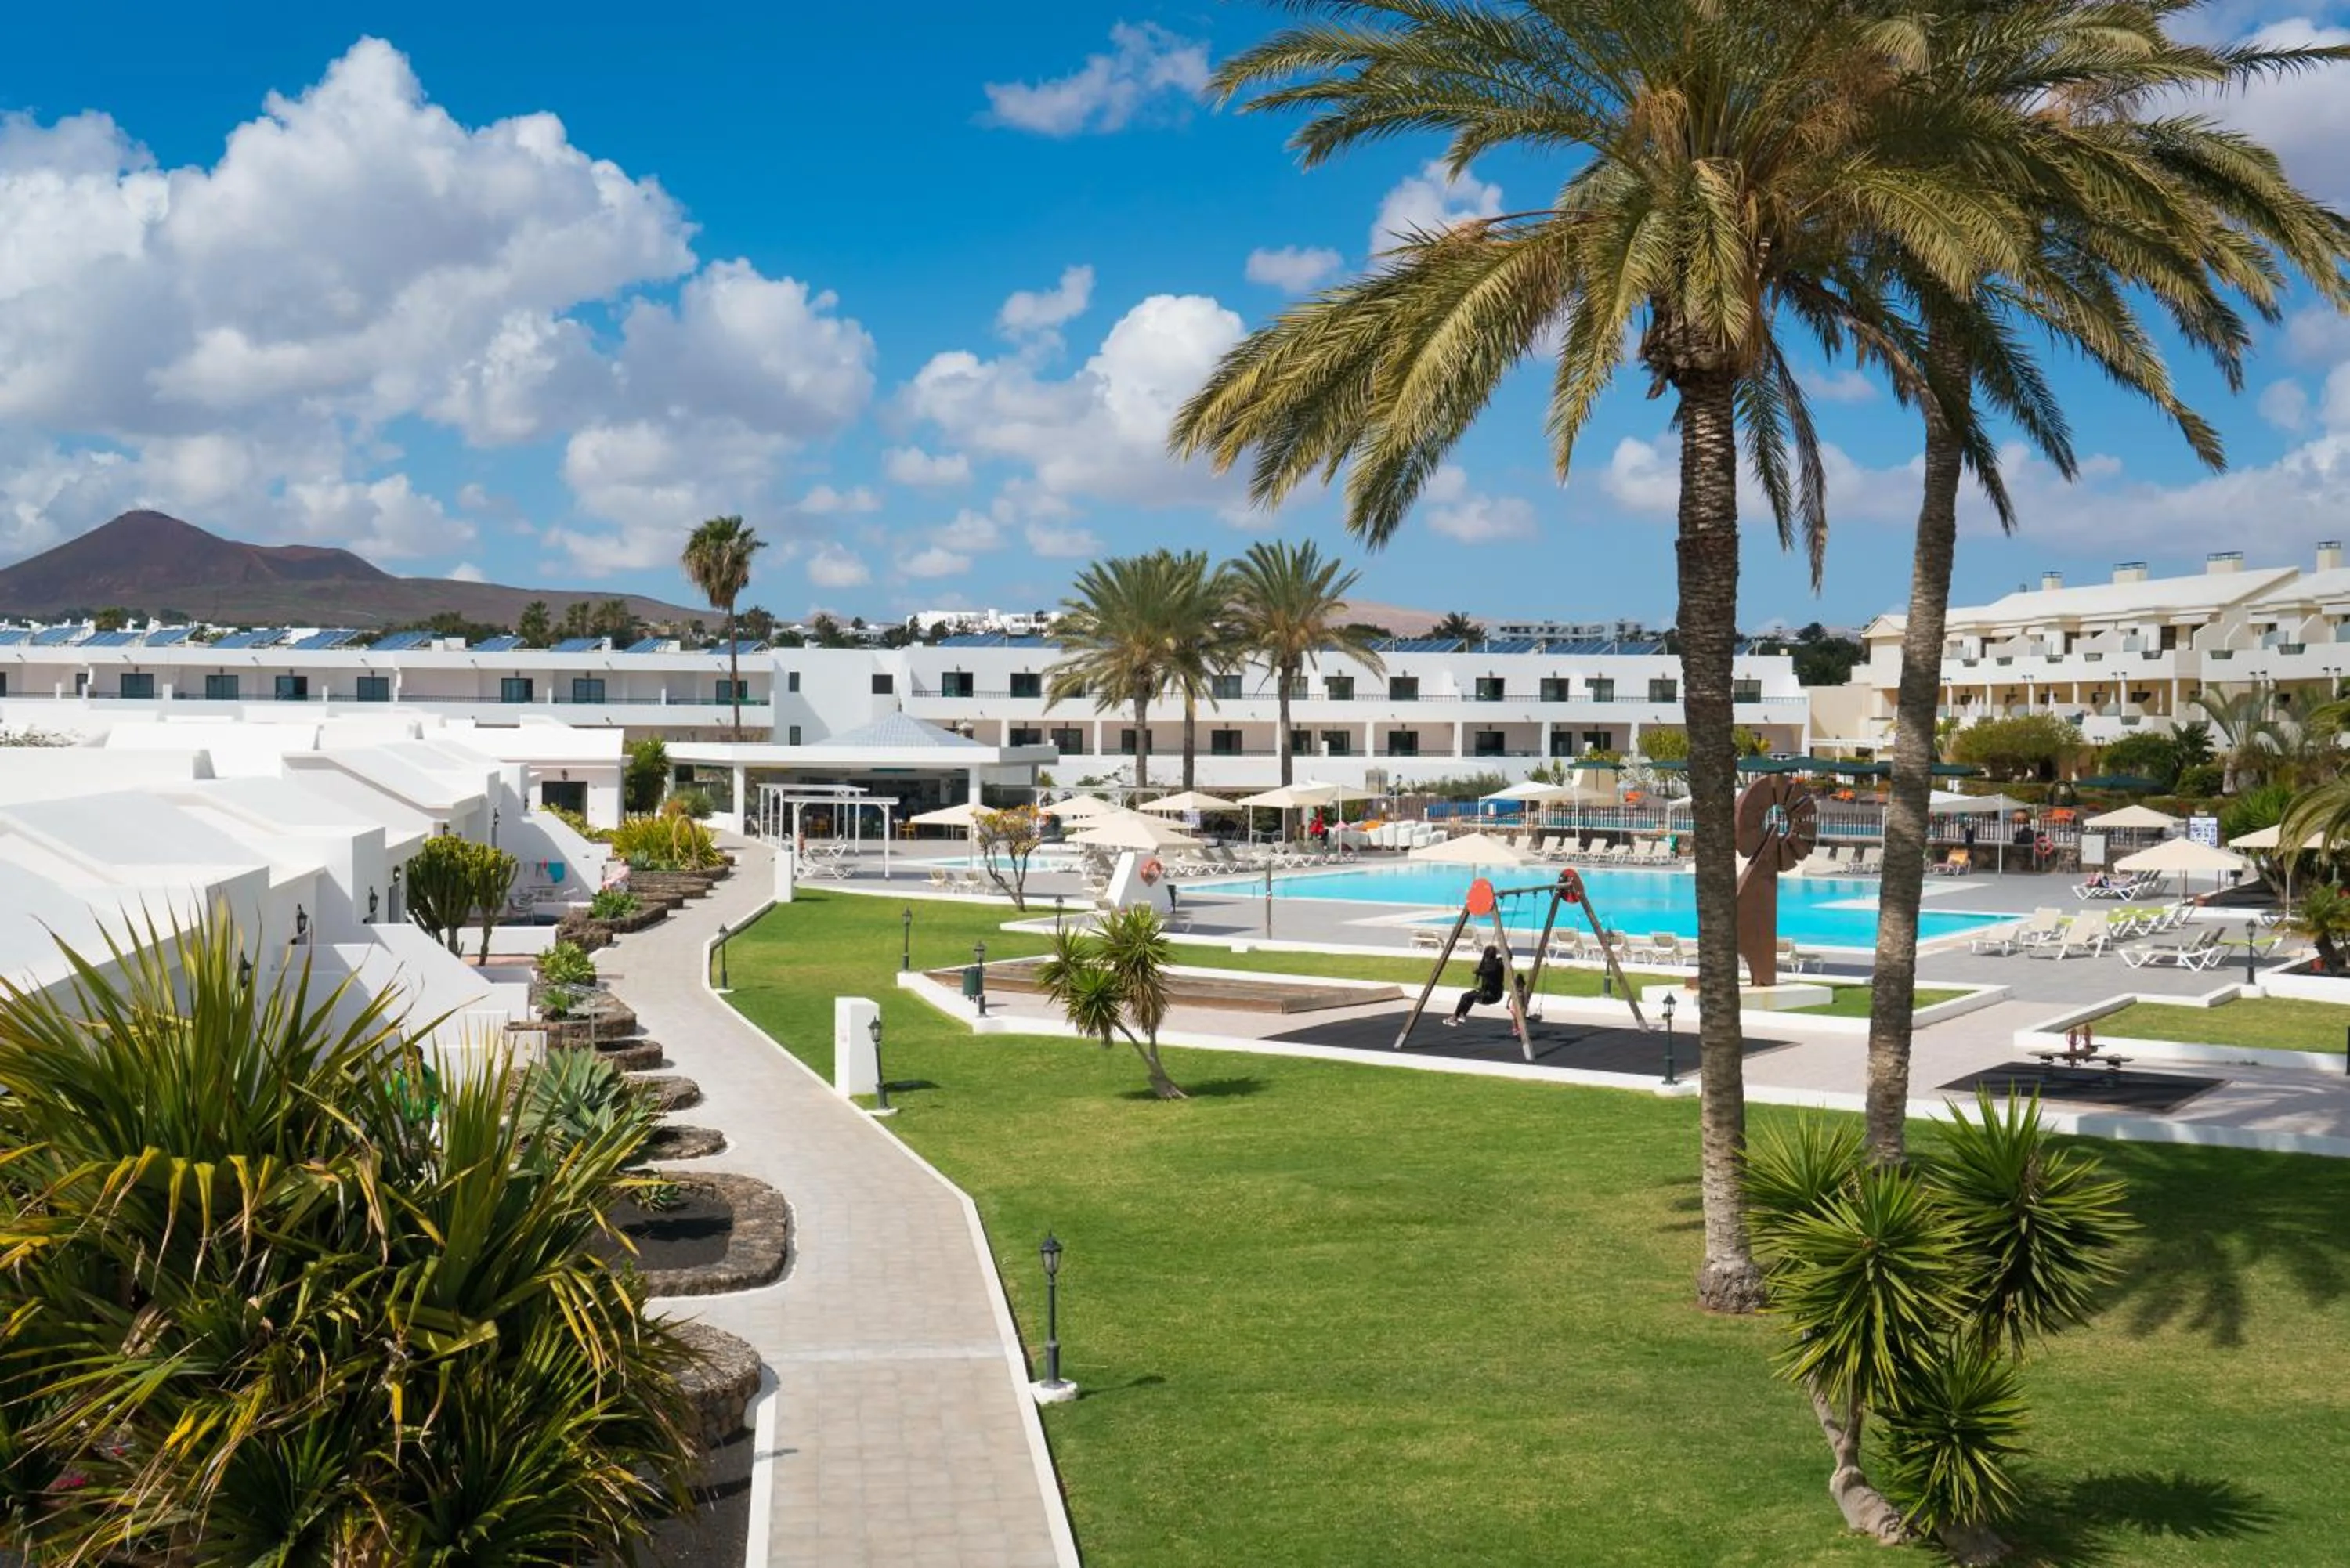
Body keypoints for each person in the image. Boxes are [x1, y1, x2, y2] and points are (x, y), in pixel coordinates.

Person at [1447, 945, 1508, 1026]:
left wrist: (1477, 971)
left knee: (1465, 996)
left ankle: (1454, 1017)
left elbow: (1486, 971)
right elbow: (1509, 956)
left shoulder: (1488, 968)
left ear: (1486, 955)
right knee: (1472, 995)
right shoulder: (1500, 963)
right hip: (1498, 995)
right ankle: (1462, 1015)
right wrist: (1503, 949)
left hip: (1489, 996)